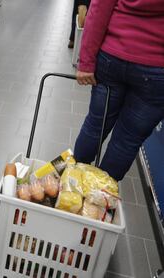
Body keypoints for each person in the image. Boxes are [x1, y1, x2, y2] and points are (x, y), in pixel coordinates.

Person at [74, 0, 164, 181]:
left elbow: (99, 8)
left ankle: (71, 184)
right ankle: (99, 199)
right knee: (127, 140)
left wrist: (86, 61)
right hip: (157, 67)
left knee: (95, 125)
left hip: (112, 58)